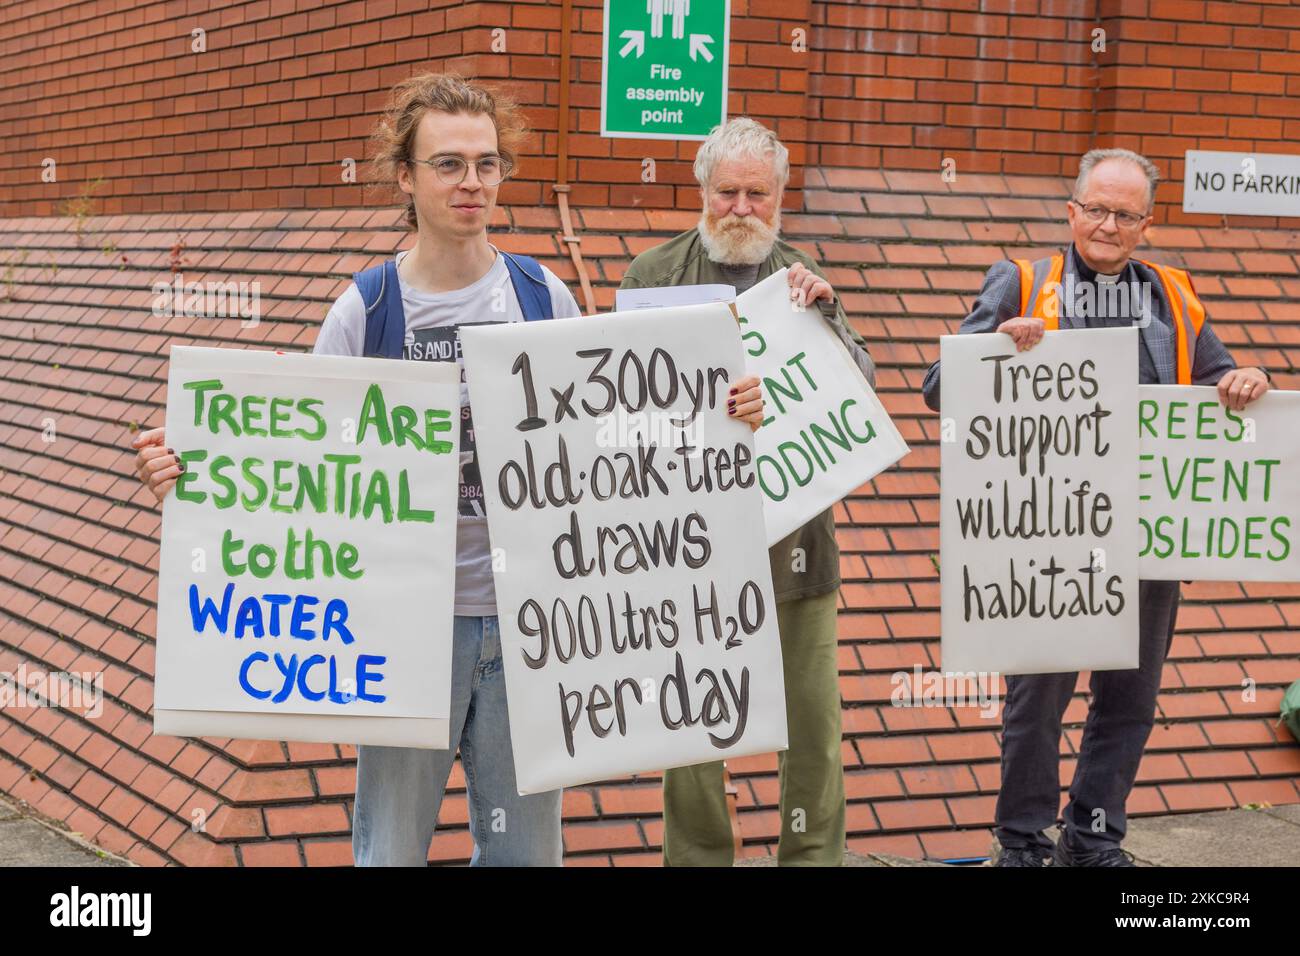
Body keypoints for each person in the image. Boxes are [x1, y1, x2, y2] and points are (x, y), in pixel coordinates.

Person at [133, 72, 767, 866]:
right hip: (403, 636)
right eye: (448, 164)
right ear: (406, 176)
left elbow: (615, 447)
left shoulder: (544, 299)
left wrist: (717, 417)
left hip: (533, 630)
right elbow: (294, 470)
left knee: (526, 859)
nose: (472, 182)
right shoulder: (364, 312)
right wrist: (190, 473)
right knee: (388, 853)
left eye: (487, 163)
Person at [921, 147, 1272, 867]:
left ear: (1147, 224)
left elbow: (1218, 379)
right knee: (1036, 703)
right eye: (1098, 209)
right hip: (1047, 530)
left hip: (1146, 531)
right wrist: (994, 350)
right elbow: (937, 385)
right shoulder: (1022, 280)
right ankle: (1022, 843)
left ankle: (1093, 837)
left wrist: (1243, 379)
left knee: (1129, 700)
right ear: (1072, 210)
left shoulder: (1173, 294)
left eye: (1127, 214)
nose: (1109, 224)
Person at [620, 117, 877, 866]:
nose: (740, 208)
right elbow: (619, 408)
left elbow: (861, 386)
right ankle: (700, 860)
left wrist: (827, 318)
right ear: (701, 192)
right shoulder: (651, 275)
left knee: (811, 725)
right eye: (725, 191)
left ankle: (810, 859)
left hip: (797, 551)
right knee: (693, 732)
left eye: (755, 194)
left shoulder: (805, 278)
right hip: (688, 552)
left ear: (780, 196)